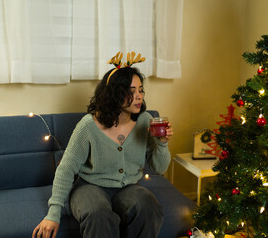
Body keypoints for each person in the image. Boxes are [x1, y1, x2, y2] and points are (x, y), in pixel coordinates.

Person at [32, 52, 173, 238]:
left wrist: (162, 144)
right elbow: (66, 169)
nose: (139, 96)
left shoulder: (146, 121)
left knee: (149, 206)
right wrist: (53, 213)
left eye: (141, 90)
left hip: (129, 188)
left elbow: (159, 167)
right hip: (88, 187)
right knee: (98, 214)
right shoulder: (88, 126)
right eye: (131, 92)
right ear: (114, 94)